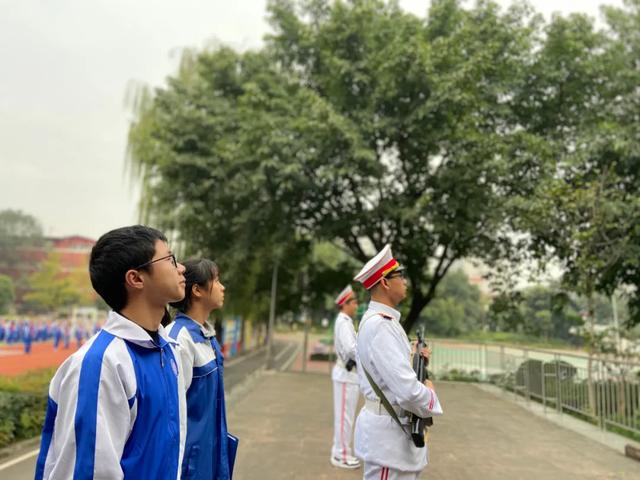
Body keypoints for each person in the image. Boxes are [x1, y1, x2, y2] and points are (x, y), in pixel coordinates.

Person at [35, 225, 187, 480]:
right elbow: (89, 472)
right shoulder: (102, 365)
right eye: (170, 259)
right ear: (136, 279)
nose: (181, 268)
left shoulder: (167, 351)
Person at [353, 245, 443, 480]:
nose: (404, 281)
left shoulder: (382, 322)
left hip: (391, 437)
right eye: (399, 275)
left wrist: (414, 357)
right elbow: (408, 392)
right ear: (385, 282)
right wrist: (430, 393)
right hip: (388, 441)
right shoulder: (381, 326)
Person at [166, 258, 235, 480]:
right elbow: (170, 415)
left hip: (210, 455)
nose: (222, 287)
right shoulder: (179, 339)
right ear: (197, 290)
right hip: (190, 465)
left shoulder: (206, 336)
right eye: (216, 280)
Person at [330, 284, 361, 469]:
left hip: (349, 376)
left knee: (346, 418)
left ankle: (342, 452)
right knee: (344, 419)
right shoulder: (343, 322)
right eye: (354, 302)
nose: (356, 305)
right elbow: (350, 349)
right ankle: (340, 455)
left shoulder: (345, 321)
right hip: (346, 375)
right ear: (345, 304)